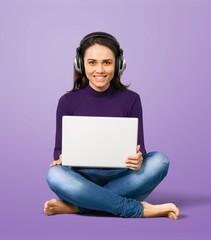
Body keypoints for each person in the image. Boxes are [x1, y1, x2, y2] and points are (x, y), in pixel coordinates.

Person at [44, 32, 180, 219]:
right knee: (55, 175)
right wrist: (61, 159)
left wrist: (139, 158)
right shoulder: (67, 101)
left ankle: (81, 205)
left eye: (107, 62)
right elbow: (59, 152)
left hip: (122, 176)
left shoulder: (131, 99)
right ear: (80, 64)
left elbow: (140, 148)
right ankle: (136, 209)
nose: (99, 70)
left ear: (118, 64)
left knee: (160, 161)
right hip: (82, 178)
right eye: (92, 62)